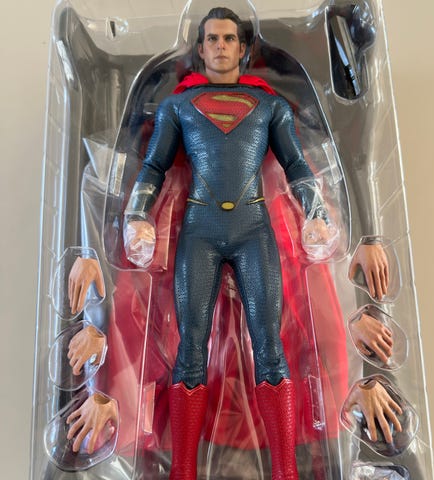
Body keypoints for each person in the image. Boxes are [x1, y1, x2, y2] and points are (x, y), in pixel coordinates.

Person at [123, 7, 335, 480]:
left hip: (253, 228)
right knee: (190, 349)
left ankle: (285, 471)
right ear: (200, 48)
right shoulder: (178, 106)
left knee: (270, 346)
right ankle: (182, 470)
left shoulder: (269, 105)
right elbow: (154, 167)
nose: (220, 46)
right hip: (198, 230)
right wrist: (137, 215)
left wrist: (316, 213)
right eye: (212, 39)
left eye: (229, 39)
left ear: (243, 48)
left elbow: (297, 165)